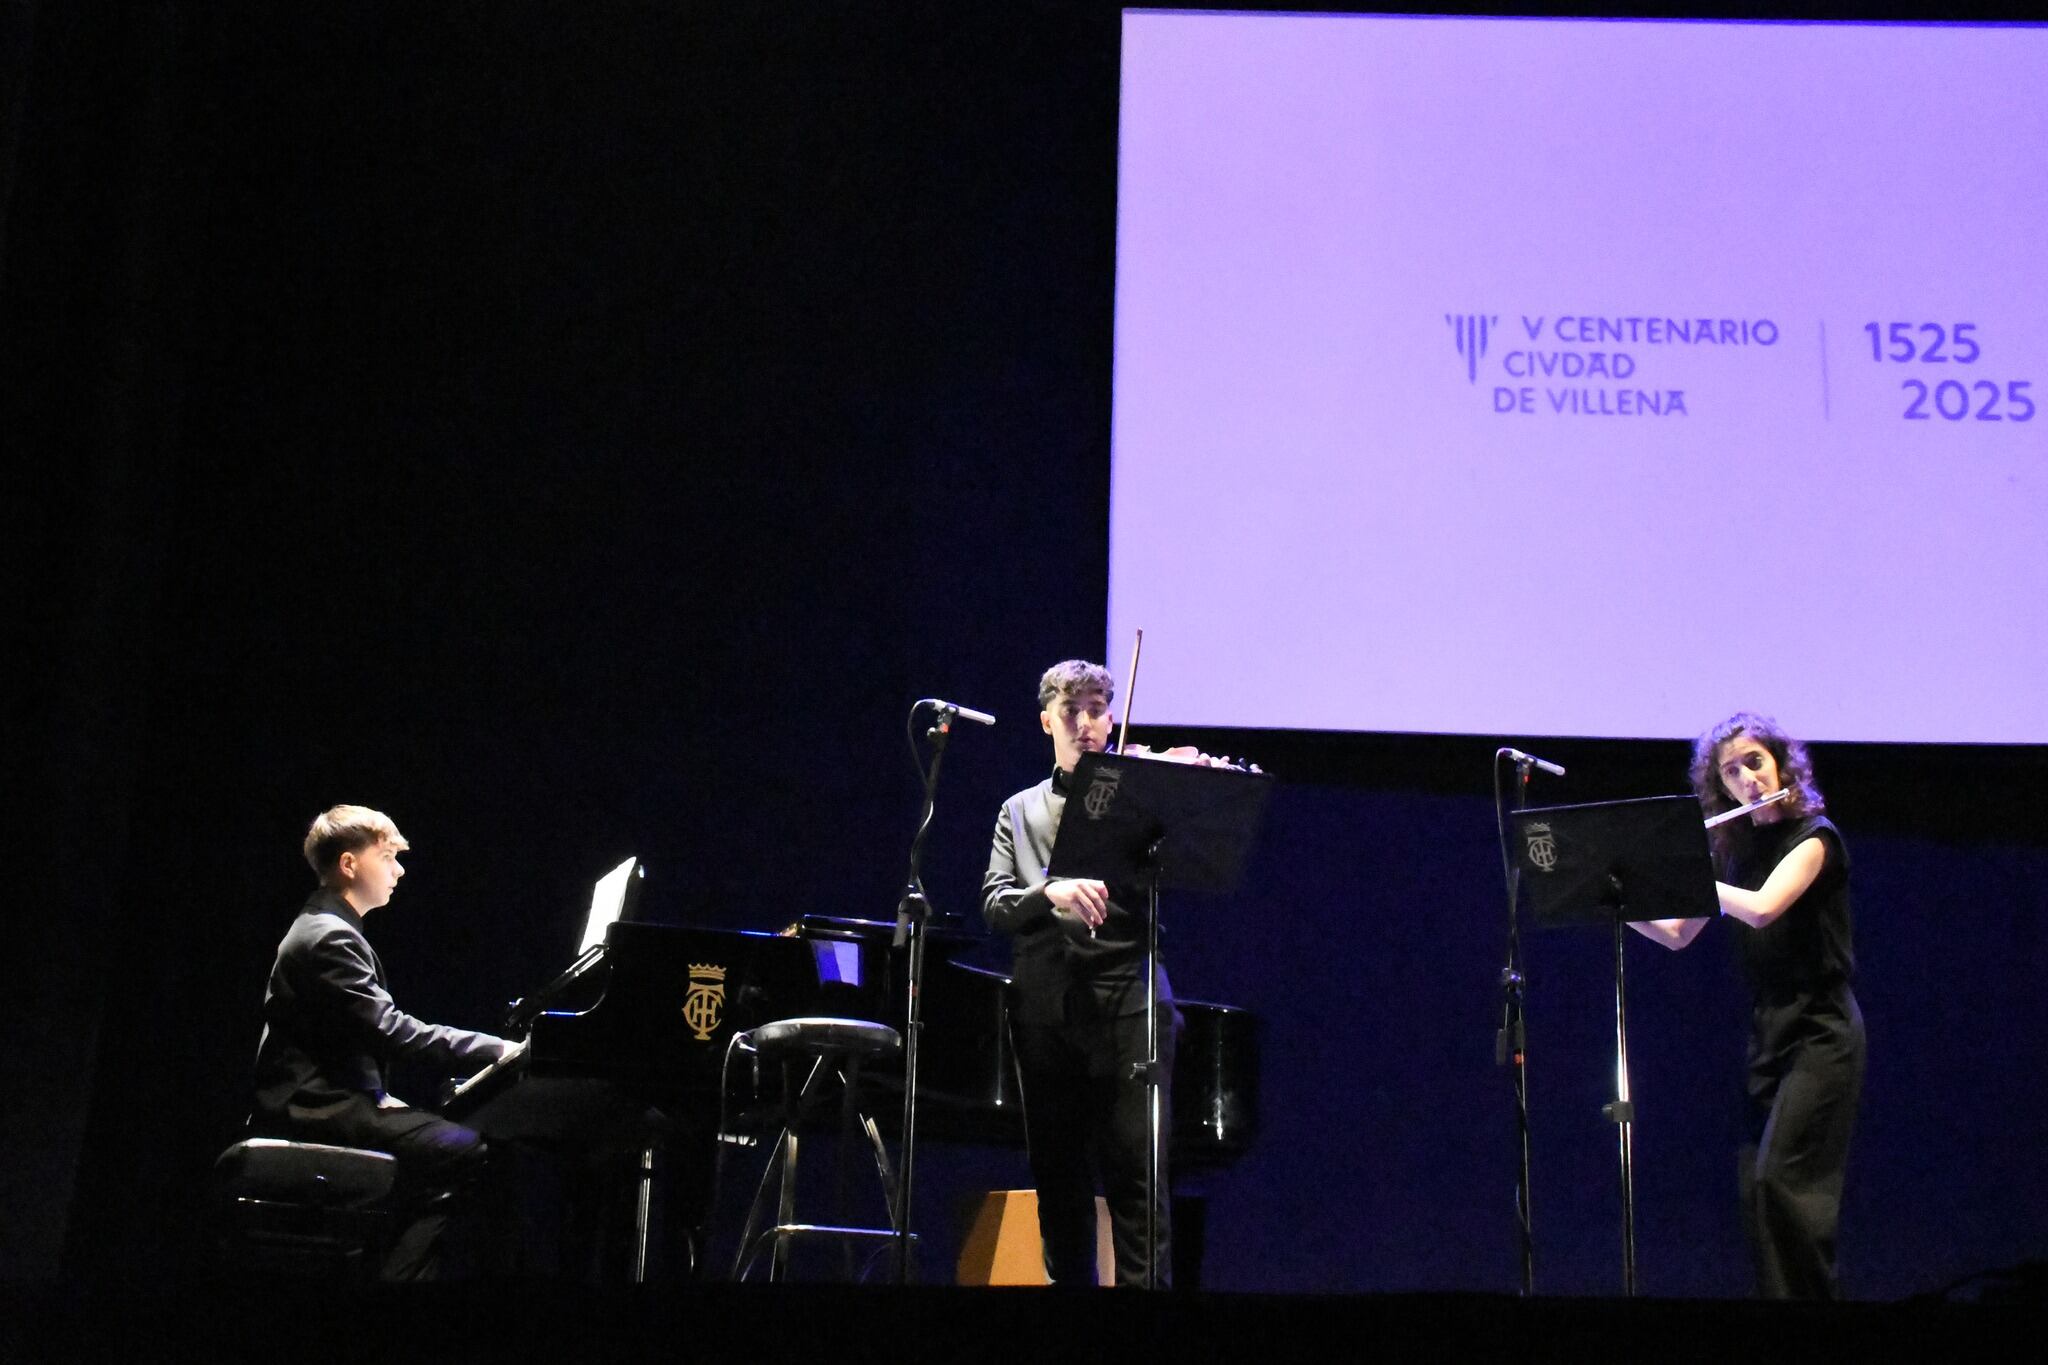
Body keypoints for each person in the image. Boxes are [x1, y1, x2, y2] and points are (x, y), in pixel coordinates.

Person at [1630, 713, 1864, 1299]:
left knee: (1781, 1183)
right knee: (1754, 1195)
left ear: (1780, 764)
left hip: (1822, 1031)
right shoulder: (1735, 852)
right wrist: (1615, 894)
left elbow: (1762, 908)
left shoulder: (1816, 838)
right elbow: (1679, 933)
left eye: (1754, 762)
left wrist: (1684, 875)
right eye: (1731, 772)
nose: (1747, 780)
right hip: (1771, 1033)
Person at [248, 804, 520, 1279]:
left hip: (327, 1100)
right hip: (315, 1109)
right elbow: (393, 1030)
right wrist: (496, 1049)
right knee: (467, 1149)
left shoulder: (325, 927)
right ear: (349, 864)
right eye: (389, 855)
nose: (399, 869)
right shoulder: (329, 937)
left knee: (441, 1144)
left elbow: (348, 1039)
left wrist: (377, 1093)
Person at [982, 659, 1178, 1288]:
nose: (1086, 724)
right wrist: (1051, 892)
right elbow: (995, 903)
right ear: (1047, 722)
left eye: (1097, 711)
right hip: (1047, 1009)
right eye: (1072, 712)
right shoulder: (1018, 810)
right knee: (1060, 1187)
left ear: (1112, 719)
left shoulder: (1138, 798)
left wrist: (1180, 786)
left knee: (1139, 1183)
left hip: (1128, 998)